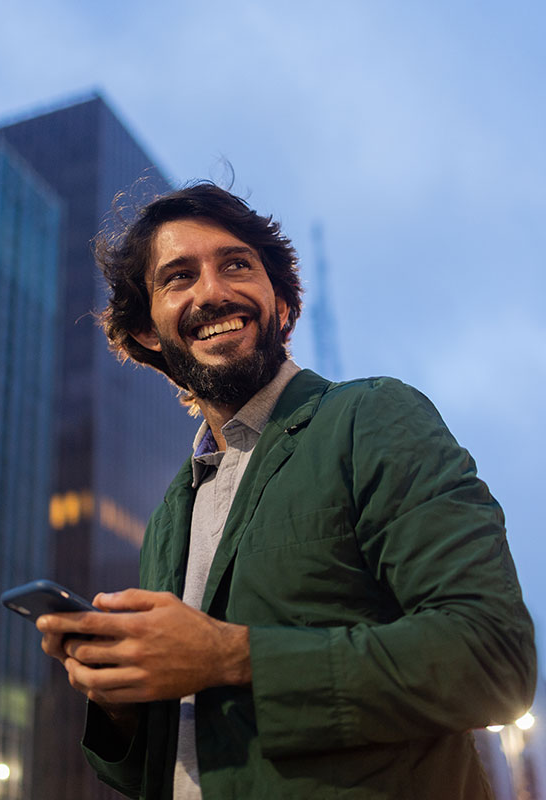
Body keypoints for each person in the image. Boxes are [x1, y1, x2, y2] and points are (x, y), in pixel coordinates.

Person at [38, 183, 536, 800]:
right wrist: (122, 700)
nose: (213, 291)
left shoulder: (371, 417)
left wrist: (229, 656)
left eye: (237, 264)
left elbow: (492, 660)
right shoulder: (173, 510)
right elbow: (156, 770)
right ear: (145, 330)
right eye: (179, 277)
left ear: (280, 300)